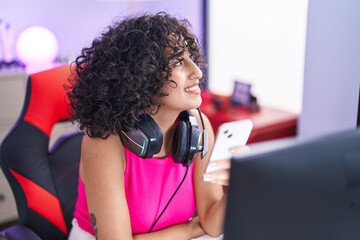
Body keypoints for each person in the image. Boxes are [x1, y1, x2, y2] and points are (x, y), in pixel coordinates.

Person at [66, 12, 231, 240]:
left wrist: (237, 185)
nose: (197, 72)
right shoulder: (103, 143)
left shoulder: (199, 128)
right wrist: (192, 229)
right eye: (176, 61)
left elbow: (212, 225)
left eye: (191, 57)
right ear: (140, 75)